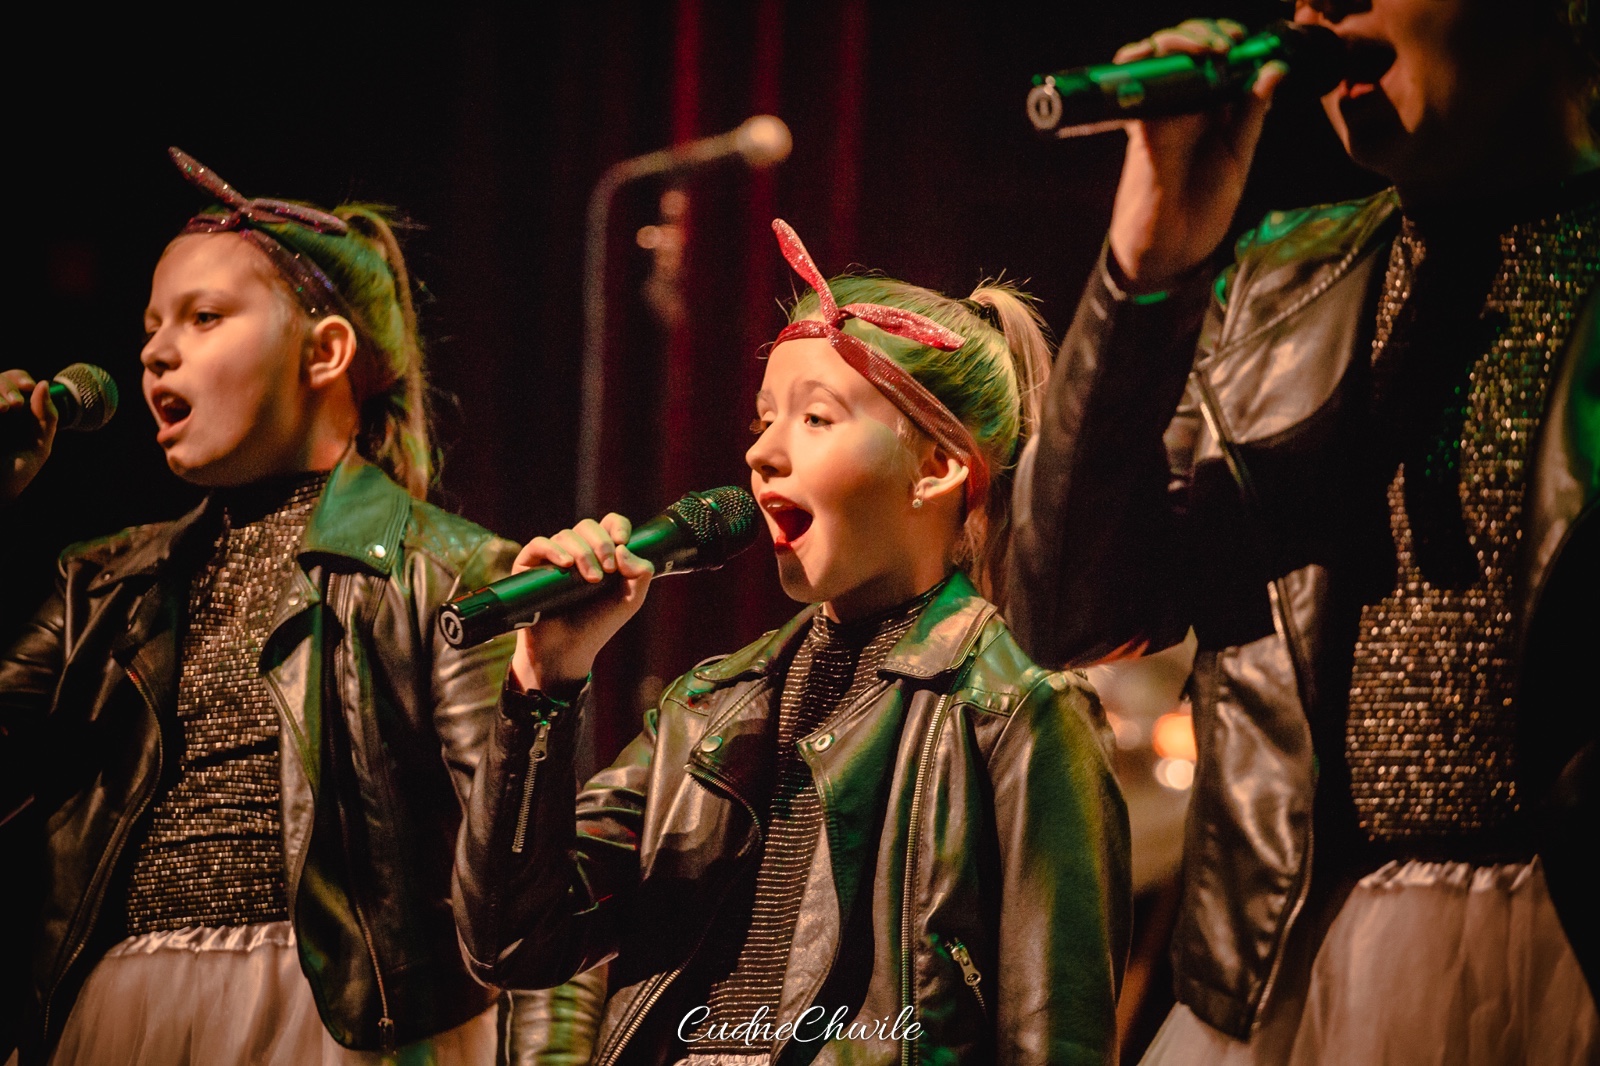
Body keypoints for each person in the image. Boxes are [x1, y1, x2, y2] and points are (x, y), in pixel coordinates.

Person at [1008, 1, 1599, 1062]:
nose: (1320, 9)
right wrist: (1147, 265)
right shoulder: (1278, 286)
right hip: (1291, 973)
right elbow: (1070, 612)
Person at [452, 220, 1132, 1065]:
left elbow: (1057, 1040)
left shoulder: (1015, 718)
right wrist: (544, 681)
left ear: (936, 467)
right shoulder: (707, 711)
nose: (762, 451)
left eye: (815, 418)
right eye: (764, 417)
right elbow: (512, 943)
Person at [0, 149, 599, 1065]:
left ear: (325, 352)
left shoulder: (443, 572)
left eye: (204, 317)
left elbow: (527, 875)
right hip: (124, 1018)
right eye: (152, 326)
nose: (156, 351)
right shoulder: (102, 585)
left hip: (344, 1023)